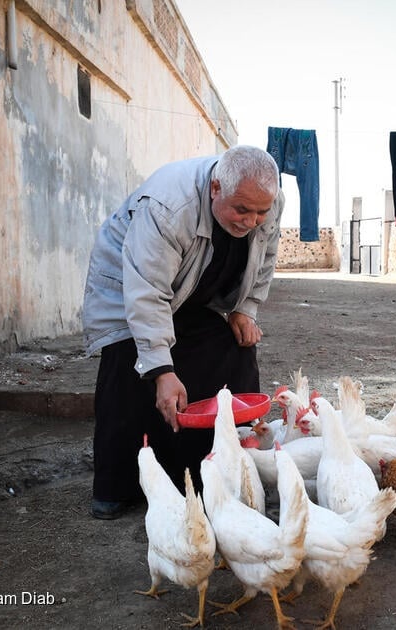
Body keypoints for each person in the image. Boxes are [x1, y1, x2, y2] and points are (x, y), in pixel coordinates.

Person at [81, 145, 284, 519]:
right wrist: (162, 370)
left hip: (191, 290)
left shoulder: (267, 201)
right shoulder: (168, 208)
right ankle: (119, 485)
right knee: (132, 367)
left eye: (261, 212)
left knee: (232, 351)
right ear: (216, 188)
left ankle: (220, 474)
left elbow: (266, 257)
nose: (251, 221)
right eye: (242, 210)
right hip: (127, 289)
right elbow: (146, 292)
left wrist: (245, 309)